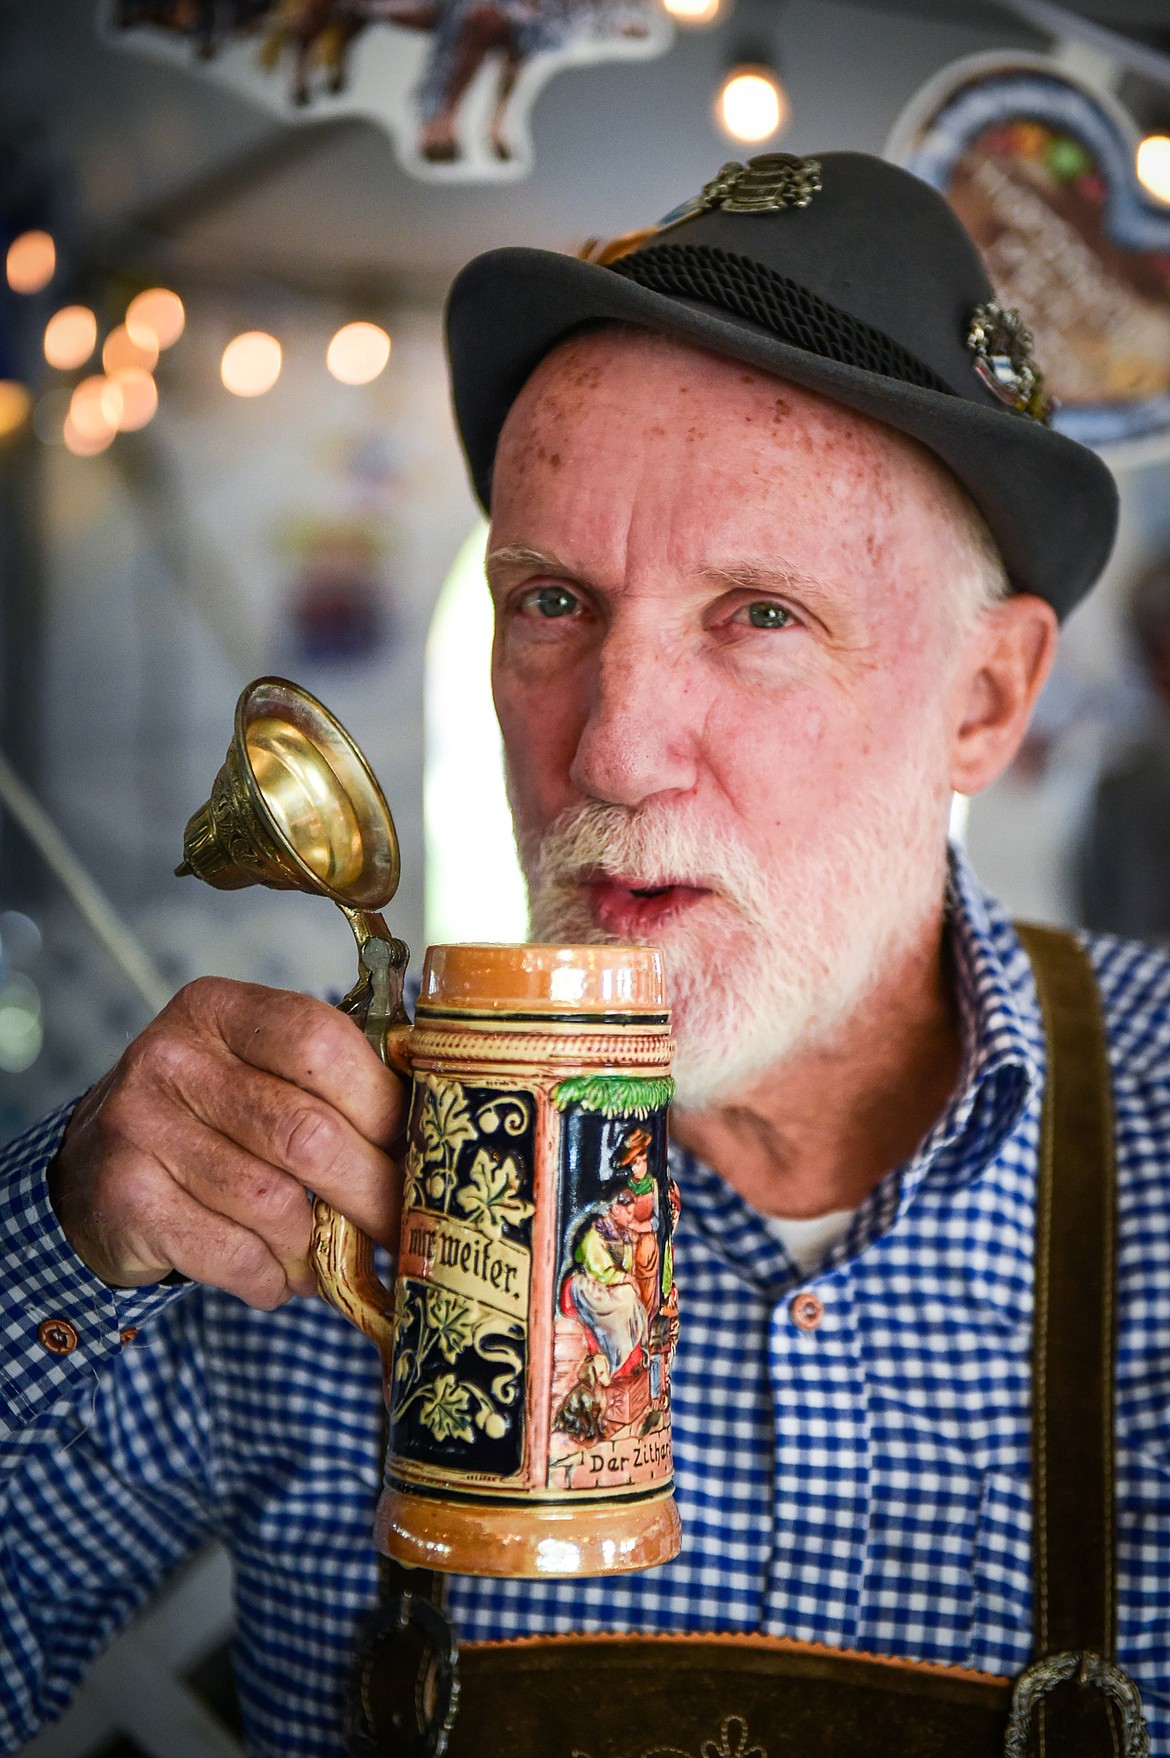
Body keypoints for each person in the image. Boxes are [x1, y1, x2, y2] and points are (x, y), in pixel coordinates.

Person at [3, 147, 1165, 1755]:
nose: (610, 752)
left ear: (985, 696)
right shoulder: (316, 1169)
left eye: (757, 613)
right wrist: (64, 1239)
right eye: (549, 599)